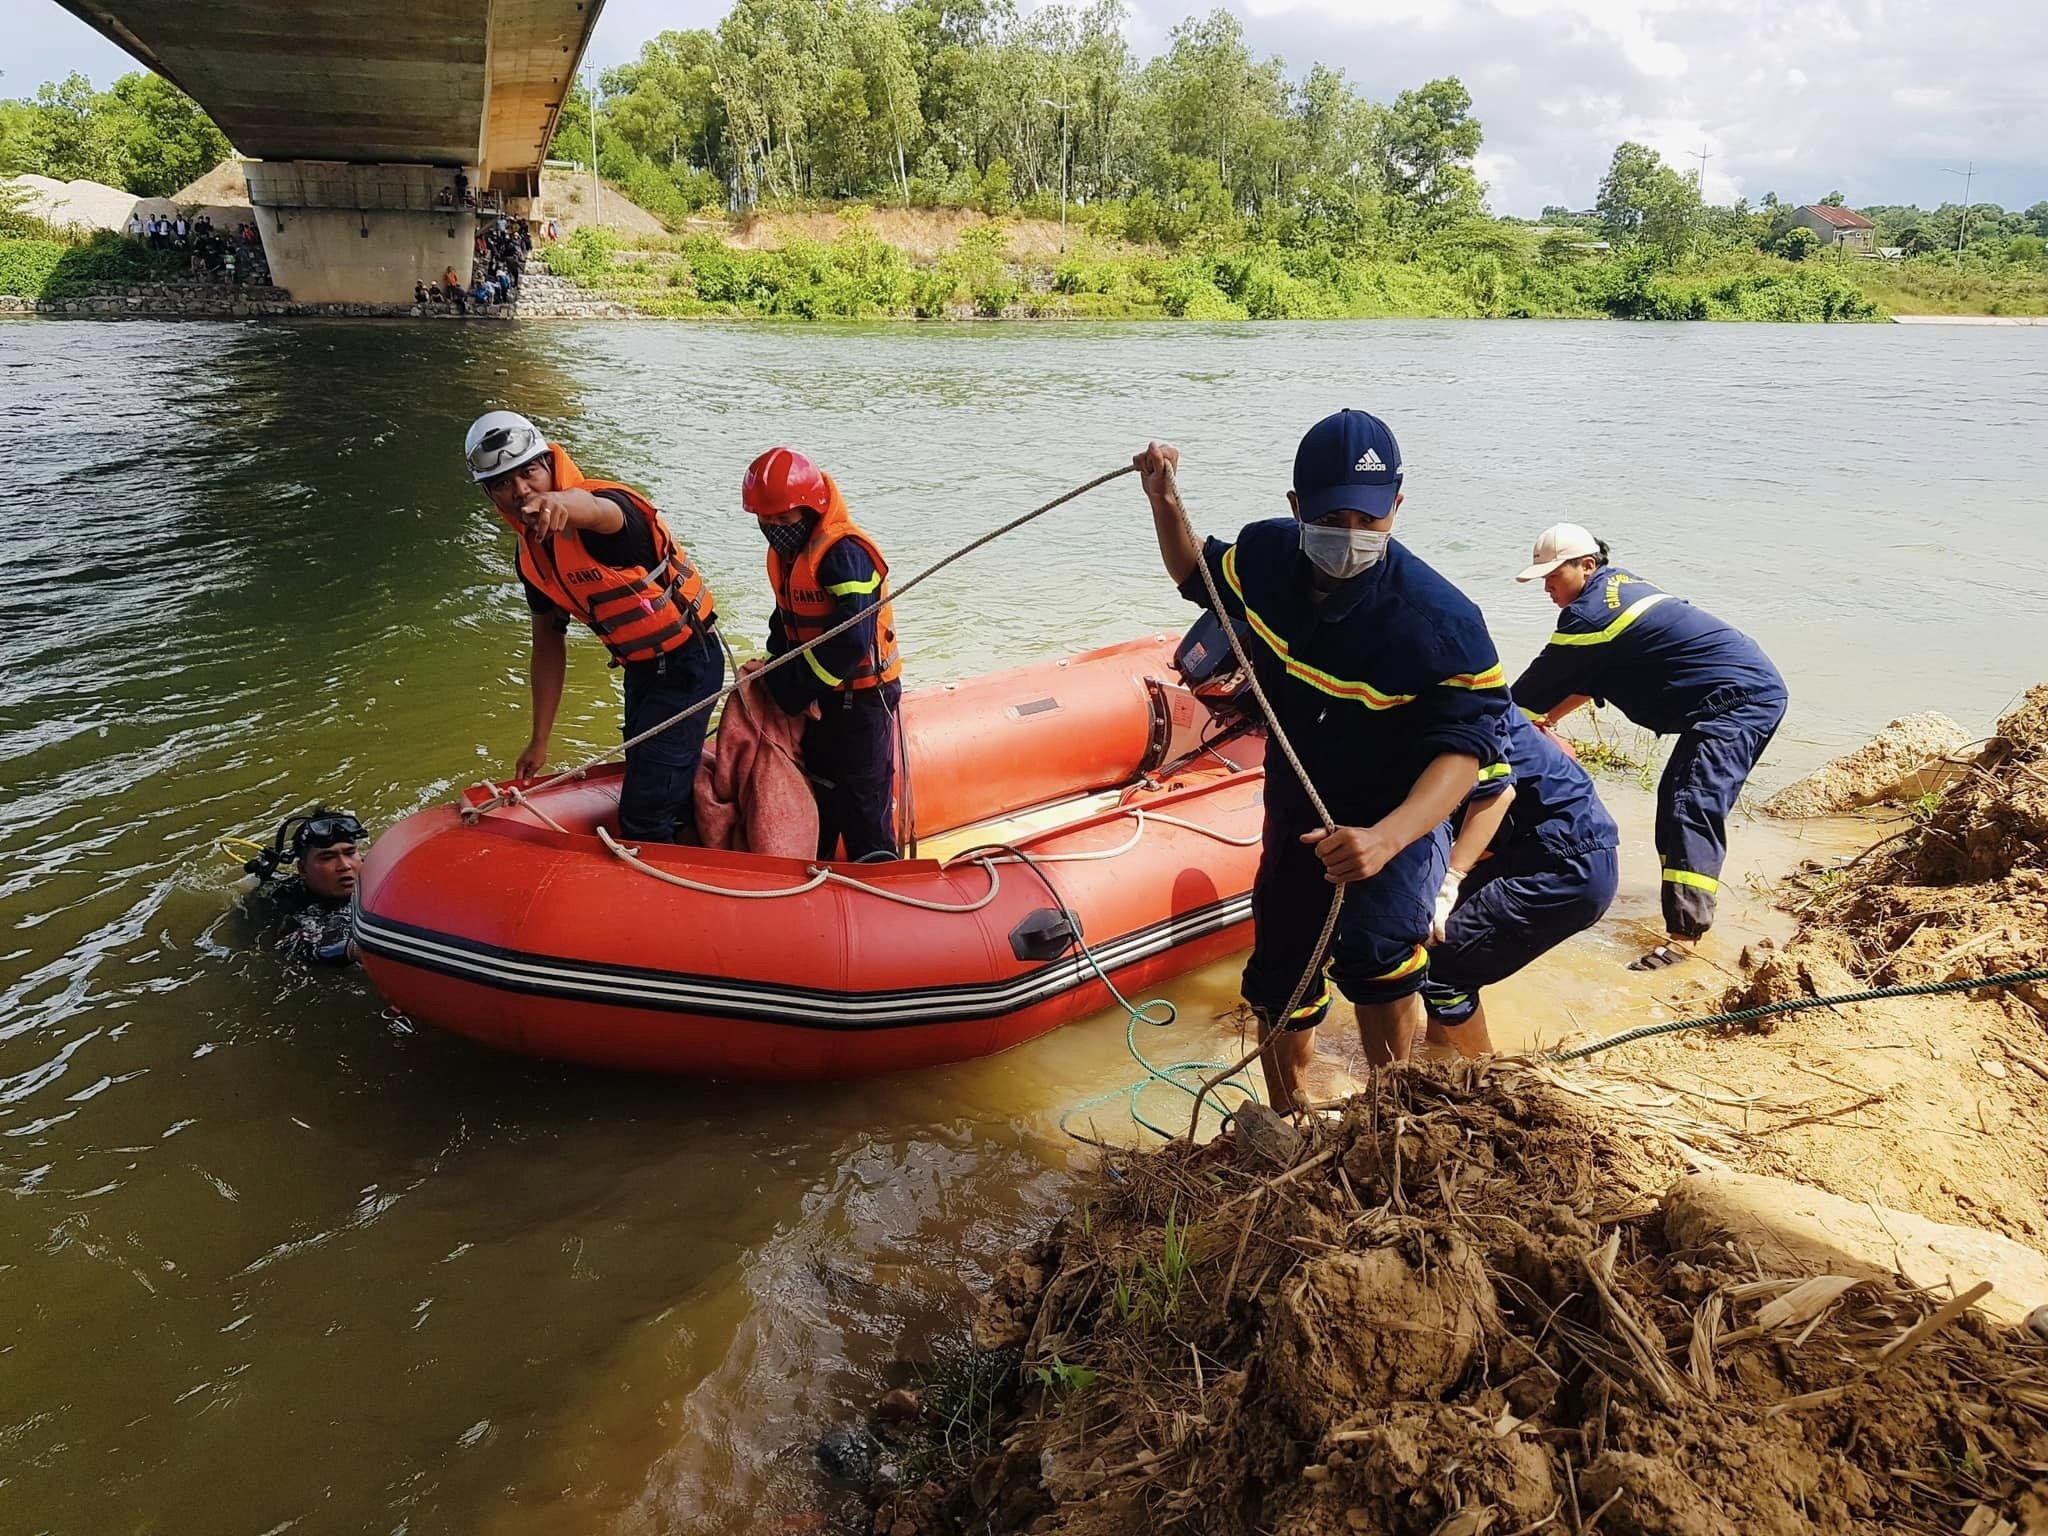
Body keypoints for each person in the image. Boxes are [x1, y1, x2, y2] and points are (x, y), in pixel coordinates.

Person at [1135, 411, 1512, 1111]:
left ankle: (1389, 1114)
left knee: (1380, 965)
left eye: (1371, 520)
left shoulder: (1440, 624)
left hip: (1390, 825)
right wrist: (1164, 498)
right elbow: (1197, 573)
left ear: (1396, 508)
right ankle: (1287, 1113)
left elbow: (1467, 754)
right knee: (1280, 972)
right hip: (1296, 813)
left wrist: (1387, 837)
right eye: (1334, 516)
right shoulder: (1267, 557)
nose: (1354, 534)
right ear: (1296, 508)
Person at [1511, 522, 1788, 971]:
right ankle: (1684, 916)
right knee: (1676, 801)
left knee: (1689, 805)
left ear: (1586, 566)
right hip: (1740, 691)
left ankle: (1684, 941)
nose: (1546, 588)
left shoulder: (1590, 617)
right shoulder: (1615, 588)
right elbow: (1592, 675)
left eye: (1552, 576)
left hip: (1737, 702)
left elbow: (1518, 705)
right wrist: (1549, 722)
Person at [466, 411, 721, 843]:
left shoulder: (602, 513)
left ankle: (661, 892)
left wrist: (561, 504)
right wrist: (539, 740)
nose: (520, 491)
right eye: (503, 483)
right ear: (491, 494)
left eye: (529, 472)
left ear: (549, 464)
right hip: (642, 673)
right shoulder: (531, 558)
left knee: (643, 814)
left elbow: (601, 512)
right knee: (653, 781)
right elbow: (547, 644)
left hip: (688, 664)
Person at [1420, 710, 1620, 1054]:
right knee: (1434, 942)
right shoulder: (1464, 693)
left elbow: (1497, 794)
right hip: (1533, 848)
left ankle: (1484, 1076)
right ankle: (1438, 1054)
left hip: (1564, 866)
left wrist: (1448, 880)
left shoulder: (1460, 706)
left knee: (1442, 968)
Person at [743, 447, 903, 862]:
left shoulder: (844, 553)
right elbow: (785, 621)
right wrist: (773, 672)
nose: (775, 527)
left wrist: (793, 691)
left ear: (809, 510)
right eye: (767, 520)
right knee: (822, 796)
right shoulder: (789, 554)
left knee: (864, 803)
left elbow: (852, 638)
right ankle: (820, 883)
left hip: (862, 701)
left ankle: (881, 881)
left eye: (783, 519)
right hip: (823, 699)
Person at [242, 808, 366, 965]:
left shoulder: (378, 877)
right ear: (302, 869)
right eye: (327, 857)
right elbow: (292, 947)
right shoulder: (282, 901)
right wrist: (352, 950)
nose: (345, 866)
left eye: (349, 853)